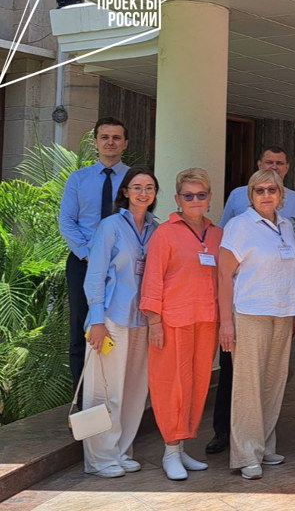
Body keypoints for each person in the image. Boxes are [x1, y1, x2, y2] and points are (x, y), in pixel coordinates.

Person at [207, 145, 295, 455]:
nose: (266, 195)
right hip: (250, 314)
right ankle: (246, 454)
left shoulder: (286, 226)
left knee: (273, 383)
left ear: (281, 195)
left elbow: (288, 270)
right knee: (248, 386)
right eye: (260, 190)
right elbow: (224, 276)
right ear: (250, 195)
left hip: (282, 314)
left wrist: (293, 311)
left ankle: (264, 445)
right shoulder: (239, 226)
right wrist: (226, 322)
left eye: (272, 190)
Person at [140, 168, 223, 480]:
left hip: (207, 320)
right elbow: (153, 278)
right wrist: (154, 321)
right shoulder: (165, 234)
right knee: (171, 385)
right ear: (177, 199)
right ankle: (170, 450)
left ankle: (182, 446)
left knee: (197, 385)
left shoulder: (217, 234)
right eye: (188, 195)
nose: (195, 200)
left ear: (209, 197)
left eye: (201, 194)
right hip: (173, 320)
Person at [81, 167, 158, 478]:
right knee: (104, 391)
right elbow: (95, 275)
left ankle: (122, 451)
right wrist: (96, 320)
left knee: (135, 391)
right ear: (125, 192)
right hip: (111, 319)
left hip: (142, 319)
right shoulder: (110, 226)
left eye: (149, 187)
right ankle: (99, 459)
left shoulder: (156, 228)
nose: (143, 192)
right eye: (137, 187)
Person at [60, 117, 130, 405]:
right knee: (81, 330)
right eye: (105, 137)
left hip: (121, 267)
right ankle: (81, 403)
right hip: (84, 262)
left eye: (116, 137)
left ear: (125, 144)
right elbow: (67, 221)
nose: (110, 142)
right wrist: (90, 254)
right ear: (95, 143)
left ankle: (115, 398)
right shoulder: (78, 179)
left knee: (118, 327)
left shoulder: (134, 180)